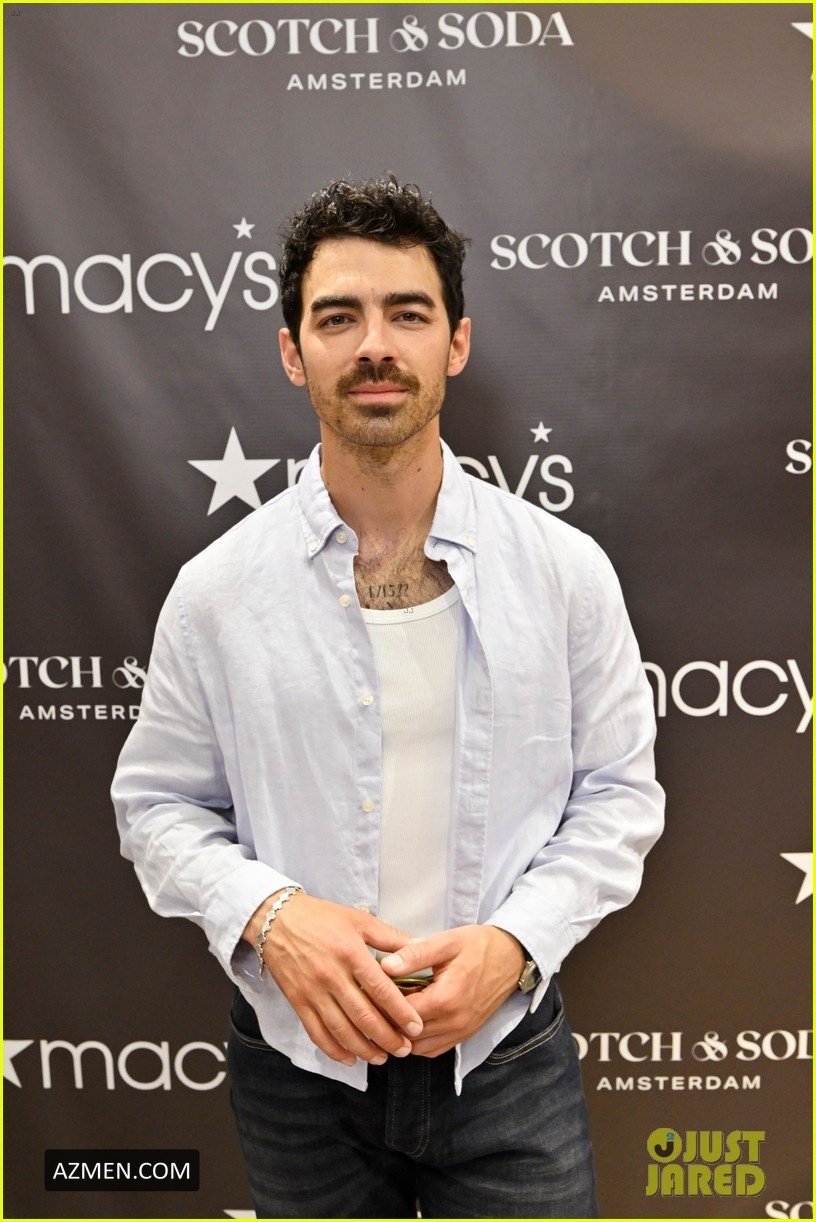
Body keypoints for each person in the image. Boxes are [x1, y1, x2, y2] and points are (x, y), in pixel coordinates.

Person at [112, 176, 664, 1219]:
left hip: (506, 1056)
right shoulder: (217, 592)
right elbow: (157, 806)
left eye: (408, 314)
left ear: (457, 343)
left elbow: (620, 795)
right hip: (297, 1073)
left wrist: (514, 945)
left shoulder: (564, 572)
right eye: (338, 318)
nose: (375, 345)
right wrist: (272, 917)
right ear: (293, 352)